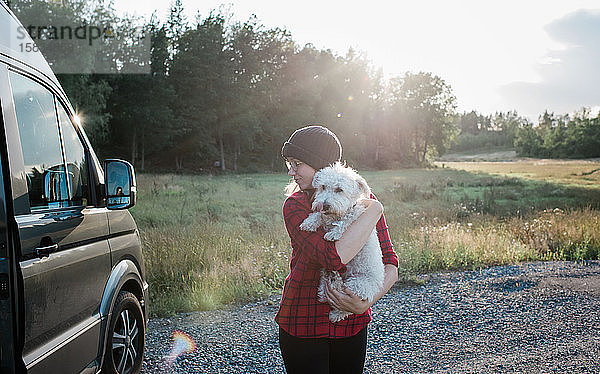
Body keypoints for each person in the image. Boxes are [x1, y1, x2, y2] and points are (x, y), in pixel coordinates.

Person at [276, 125, 399, 374]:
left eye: (297, 163)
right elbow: (332, 258)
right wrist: (375, 209)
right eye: (289, 163)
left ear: (320, 165)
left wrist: (366, 302)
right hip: (303, 323)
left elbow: (391, 263)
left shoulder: (362, 199)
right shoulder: (296, 206)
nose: (291, 171)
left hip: (352, 322)